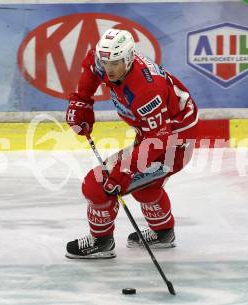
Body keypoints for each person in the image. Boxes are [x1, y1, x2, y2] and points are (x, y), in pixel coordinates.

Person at [65, 28, 199, 259]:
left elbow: (159, 140)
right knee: (146, 187)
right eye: (105, 62)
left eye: (116, 63)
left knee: (98, 184)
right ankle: (162, 233)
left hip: (173, 144)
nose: (109, 69)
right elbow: (91, 65)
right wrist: (82, 102)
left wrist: (124, 170)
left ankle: (101, 241)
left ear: (129, 58)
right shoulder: (106, 61)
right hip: (156, 134)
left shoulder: (147, 88)